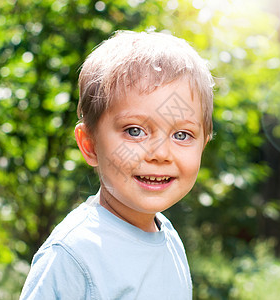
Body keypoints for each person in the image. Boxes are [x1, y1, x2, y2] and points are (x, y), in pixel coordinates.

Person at [20, 30, 214, 299]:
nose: (160, 154)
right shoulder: (74, 254)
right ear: (90, 145)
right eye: (135, 131)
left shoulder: (168, 237)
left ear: (203, 145)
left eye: (182, 135)